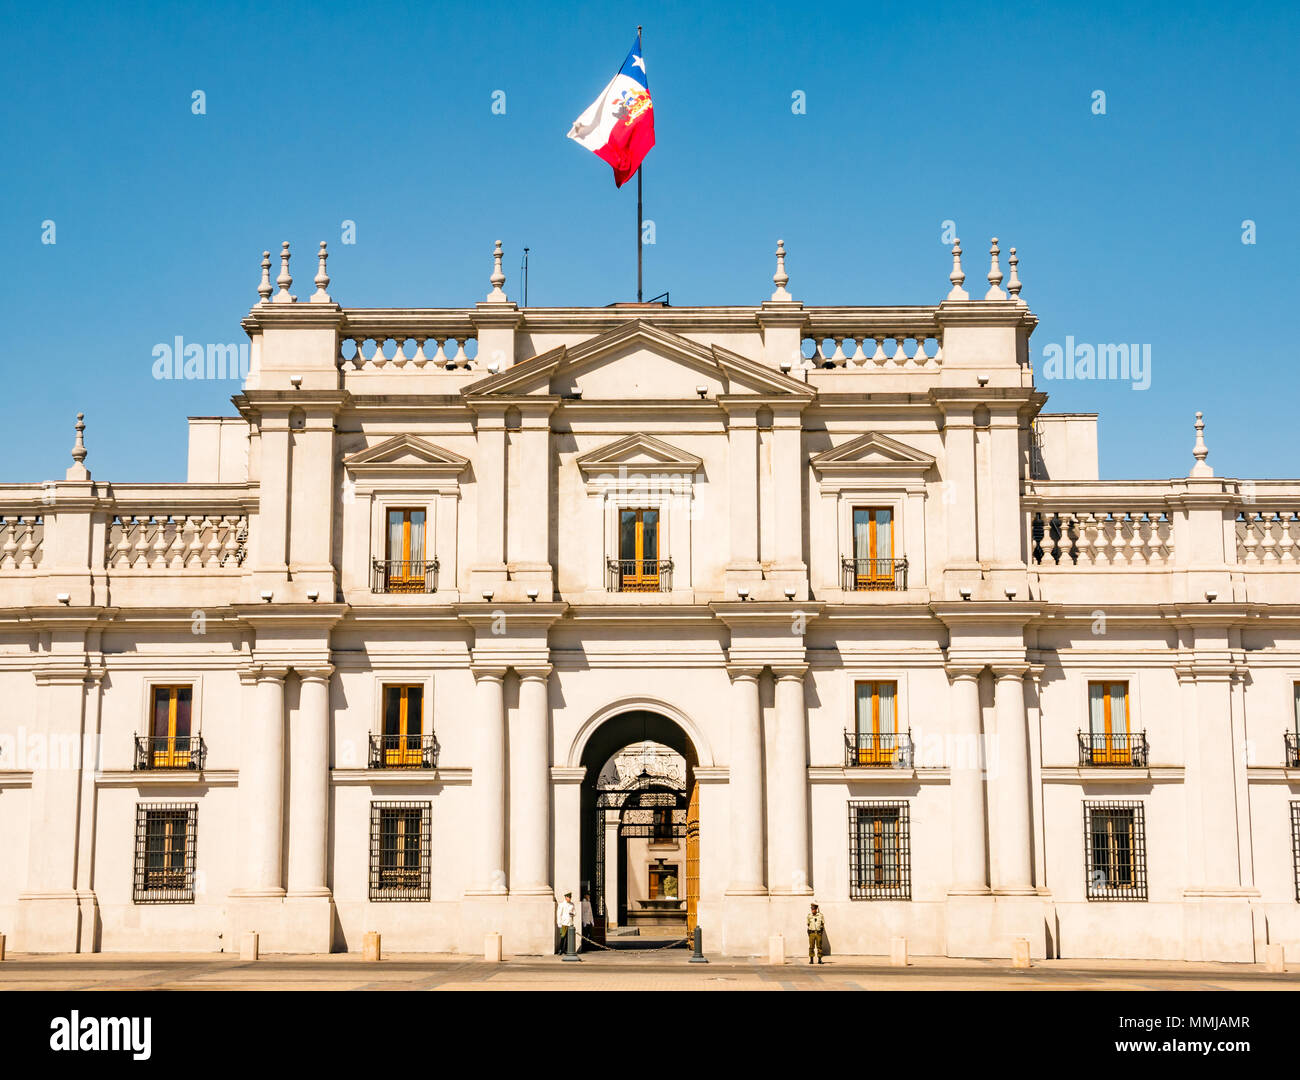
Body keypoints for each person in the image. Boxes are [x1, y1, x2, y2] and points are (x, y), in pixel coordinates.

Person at [556, 890, 576, 955]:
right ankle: (560, 949)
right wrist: (559, 923)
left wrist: (572, 913)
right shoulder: (561, 905)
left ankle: (566, 950)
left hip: (570, 922)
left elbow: (575, 912)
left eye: (570, 897)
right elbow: (559, 914)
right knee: (562, 937)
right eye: (568, 897)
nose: (569, 898)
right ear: (565, 897)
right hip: (564, 923)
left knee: (568, 937)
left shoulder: (572, 904)